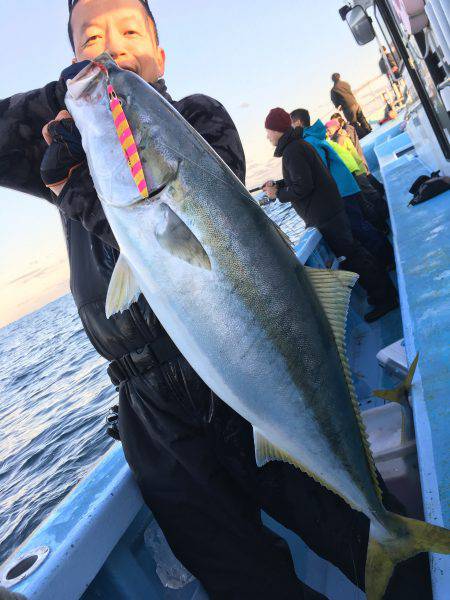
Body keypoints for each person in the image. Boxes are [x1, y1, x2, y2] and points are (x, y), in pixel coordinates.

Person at [1, 1, 400, 598]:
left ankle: (401, 548)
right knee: (244, 582)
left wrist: (78, 191)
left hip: (246, 368)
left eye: (129, 33)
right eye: (91, 39)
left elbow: (189, 238)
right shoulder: (69, 139)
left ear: (161, 57)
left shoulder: (197, 120)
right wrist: (71, 94)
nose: (110, 47)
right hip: (156, 418)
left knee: (354, 529)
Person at [263, 108, 397, 323]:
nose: (267, 136)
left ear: (277, 130)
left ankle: (386, 298)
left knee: (353, 256)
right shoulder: (299, 146)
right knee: (355, 252)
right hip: (330, 210)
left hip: (325, 214)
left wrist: (278, 193)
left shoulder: (292, 151)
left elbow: (303, 187)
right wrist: (279, 184)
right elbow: (303, 178)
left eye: (268, 131)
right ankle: (382, 293)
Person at [290, 109, 394, 269]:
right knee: (363, 223)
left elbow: (320, 170)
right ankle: (387, 254)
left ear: (297, 123)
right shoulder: (316, 138)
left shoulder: (308, 143)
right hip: (348, 184)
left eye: (291, 123)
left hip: (342, 190)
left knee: (360, 226)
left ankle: (388, 259)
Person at [326, 119, 389, 226]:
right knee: (369, 192)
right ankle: (384, 211)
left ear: (336, 127)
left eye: (329, 129)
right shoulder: (340, 137)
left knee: (369, 193)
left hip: (357, 171)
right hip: (358, 168)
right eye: (326, 130)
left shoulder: (340, 139)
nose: (327, 132)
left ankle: (385, 211)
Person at [330, 73, 372, 138]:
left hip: (348, 107)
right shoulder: (346, 83)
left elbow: (334, 99)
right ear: (339, 77)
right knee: (362, 118)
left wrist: (338, 105)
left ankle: (363, 135)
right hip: (355, 103)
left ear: (332, 80)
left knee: (353, 123)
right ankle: (368, 131)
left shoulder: (334, 89)